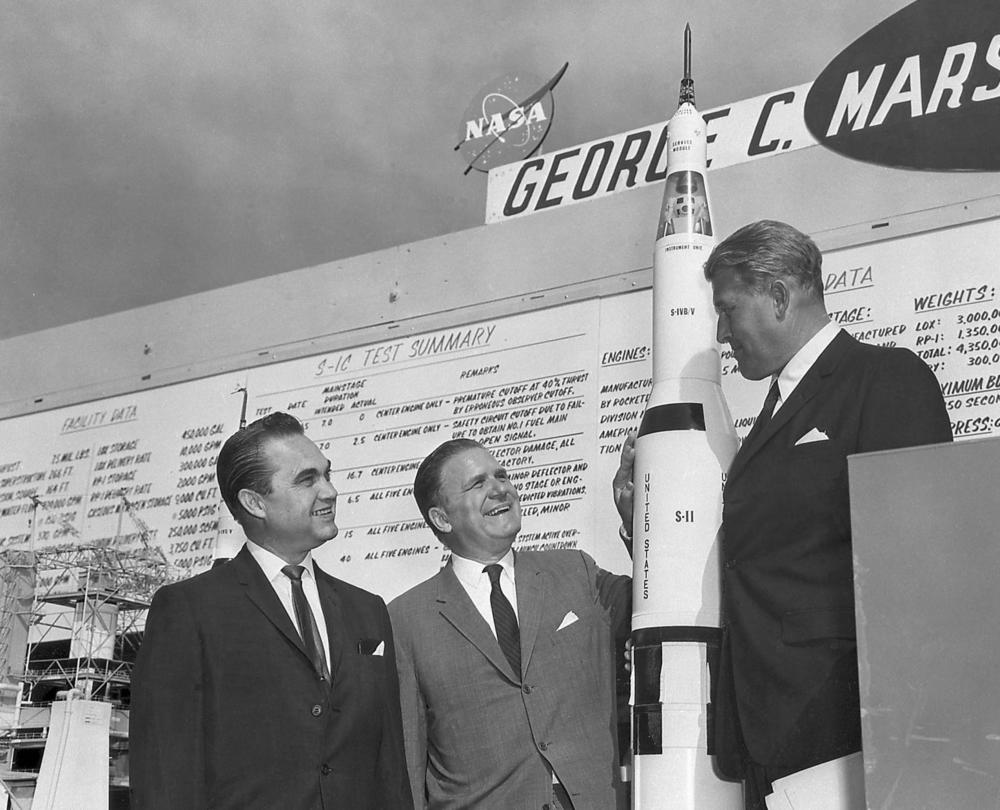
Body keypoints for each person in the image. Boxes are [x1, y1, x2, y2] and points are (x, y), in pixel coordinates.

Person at [675, 219, 951, 808]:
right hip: (764, 733)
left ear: (778, 294)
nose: (722, 333)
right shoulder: (775, 415)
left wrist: (906, 743)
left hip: (840, 731)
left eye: (727, 310)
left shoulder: (885, 380)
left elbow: (919, 571)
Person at [130, 412, 413, 810]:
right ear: (254, 502)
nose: (330, 491)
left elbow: (390, 770)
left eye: (327, 475)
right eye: (307, 479)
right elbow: (164, 773)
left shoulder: (367, 610)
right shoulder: (189, 609)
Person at [388, 438, 633, 810]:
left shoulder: (576, 572)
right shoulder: (405, 619)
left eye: (500, 475)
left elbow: (658, 605)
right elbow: (409, 759)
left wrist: (638, 518)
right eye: (477, 484)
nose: (500, 488)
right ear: (441, 518)